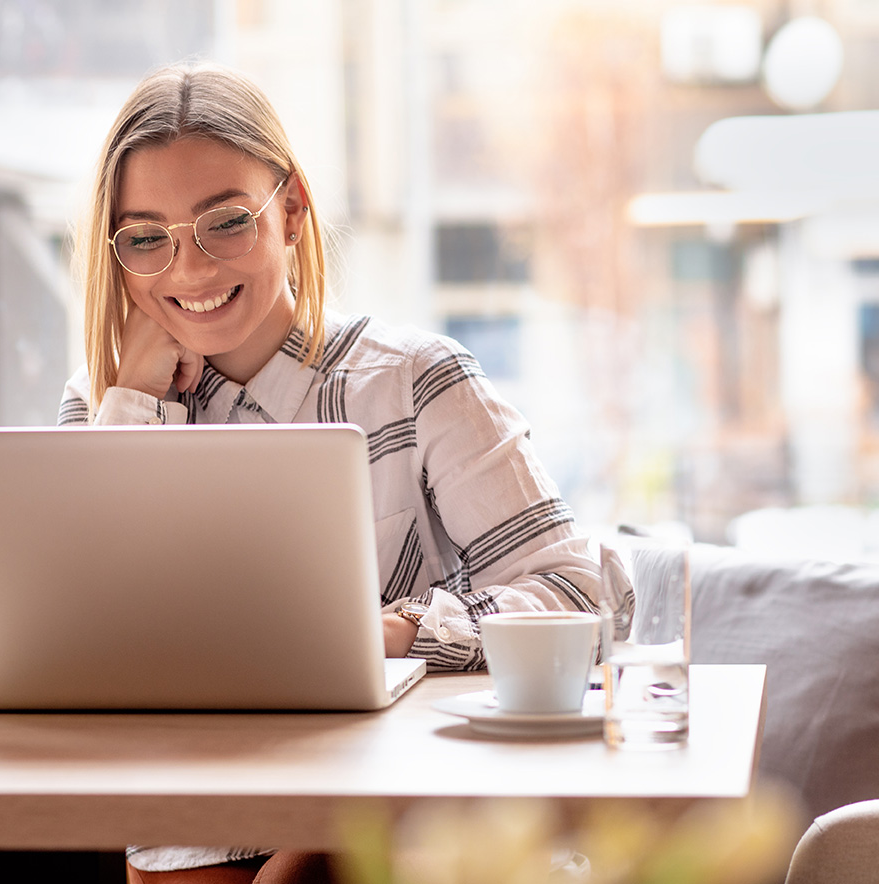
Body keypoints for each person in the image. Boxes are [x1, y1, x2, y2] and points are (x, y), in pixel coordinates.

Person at [58, 61, 602, 884]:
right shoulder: (103, 405)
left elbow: (579, 594)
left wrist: (400, 632)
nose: (192, 270)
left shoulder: (414, 379)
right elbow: (77, 646)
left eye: (225, 222)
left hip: (398, 814)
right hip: (193, 826)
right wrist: (133, 398)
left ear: (292, 210)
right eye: (147, 238)